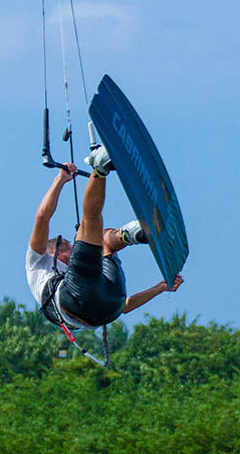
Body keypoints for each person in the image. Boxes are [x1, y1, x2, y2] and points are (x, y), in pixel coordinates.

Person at [26, 142, 183, 331]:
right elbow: (42, 216)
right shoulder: (37, 262)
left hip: (108, 309)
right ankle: (99, 168)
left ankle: (132, 234)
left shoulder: (80, 274)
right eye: (68, 246)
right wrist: (60, 180)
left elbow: (124, 306)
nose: (73, 249)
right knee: (88, 226)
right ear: (55, 252)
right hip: (74, 301)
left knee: (105, 246)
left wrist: (161, 287)